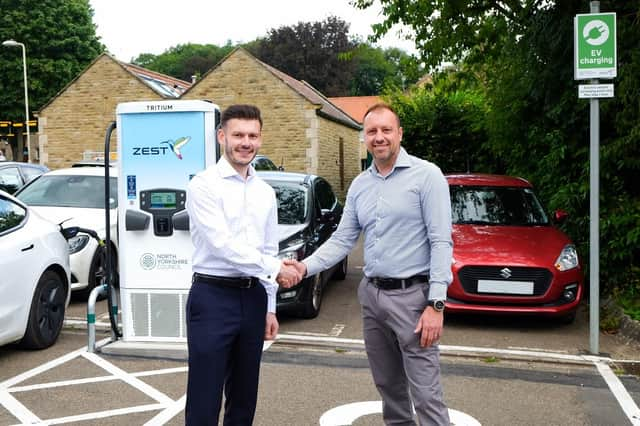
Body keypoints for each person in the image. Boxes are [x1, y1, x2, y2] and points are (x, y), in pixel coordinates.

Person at [286, 103, 453, 425]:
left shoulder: (427, 176)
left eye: (386, 130)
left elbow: (441, 241)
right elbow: (342, 239)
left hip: (413, 300)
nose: (379, 137)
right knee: (389, 387)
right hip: (372, 297)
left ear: (399, 134)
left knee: (426, 396)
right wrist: (304, 268)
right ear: (365, 137)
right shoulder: (361, 184)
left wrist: (437, 303)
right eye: (372, 131)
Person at [185, 104, 301, 425]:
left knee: (244, 396)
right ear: (222, 136)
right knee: (205, 397)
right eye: (238, 134)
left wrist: (270, 307)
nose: (245, 142)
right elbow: (221, 245)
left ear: (260, 139)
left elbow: (267, 247)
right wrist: (276, 268)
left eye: (252, 135)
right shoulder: (203, 185)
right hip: (212, 298)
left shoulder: (265, 192)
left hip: (253, 299)